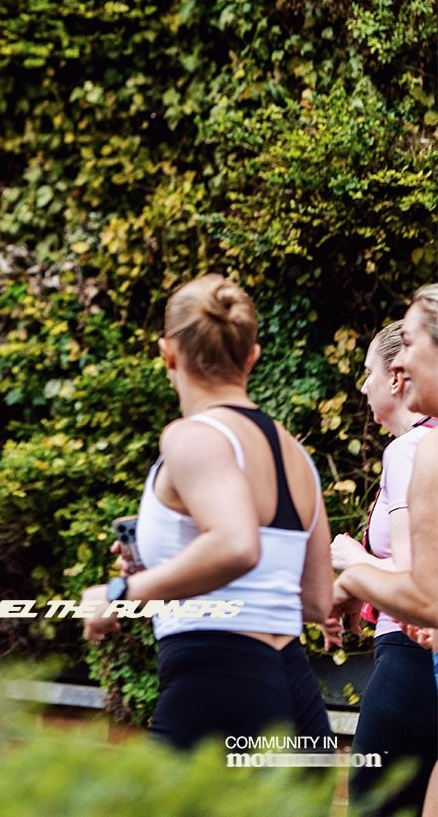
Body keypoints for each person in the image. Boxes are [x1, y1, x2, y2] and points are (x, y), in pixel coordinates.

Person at [83, 273, 335, 750]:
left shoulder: (193, 436)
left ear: (168, 354)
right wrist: (165, 571)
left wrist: (121, 591)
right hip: (297, 697)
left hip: (218, 687)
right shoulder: (296, 456)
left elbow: (237, 545)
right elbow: (318, 601)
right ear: (252, 356)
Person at [334, 285, 438, 817]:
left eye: (369, 373)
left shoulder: (409, 451)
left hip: (407, 667)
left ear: (397, 376)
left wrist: (352, 566)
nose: (364, 386)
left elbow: (413, 580)